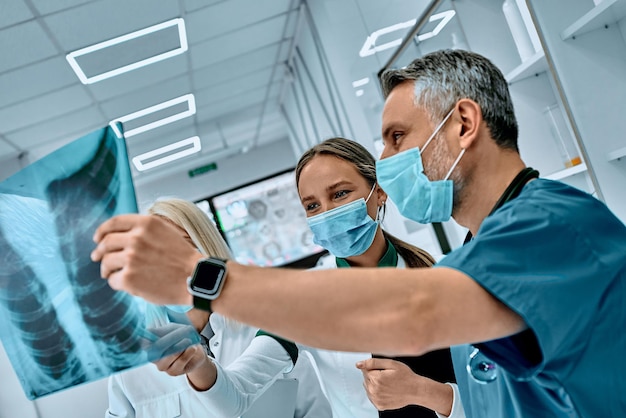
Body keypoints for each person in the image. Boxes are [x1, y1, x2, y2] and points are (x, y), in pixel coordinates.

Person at [92, 49, 626, 417]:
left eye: (397, 137)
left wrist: (200, 275)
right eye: (310, 205)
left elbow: (412, 315)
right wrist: (203, 366)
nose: (388, 161)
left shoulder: (549, 227)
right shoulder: (480, 248)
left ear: (464, 124)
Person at [105, 198, 331, 418]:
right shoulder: (130, 361)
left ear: (208, 249)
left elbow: (314, 409)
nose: (169, 262)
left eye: (182, 246)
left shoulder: (263, 326)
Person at [295, 137, 462, 418]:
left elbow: (491, 395)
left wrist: (421, 391)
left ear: (379, 191)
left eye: (340, 194)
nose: (328, 213)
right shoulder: (307, 302)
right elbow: (245, 381)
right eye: (312, 206)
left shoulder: (443, 279)